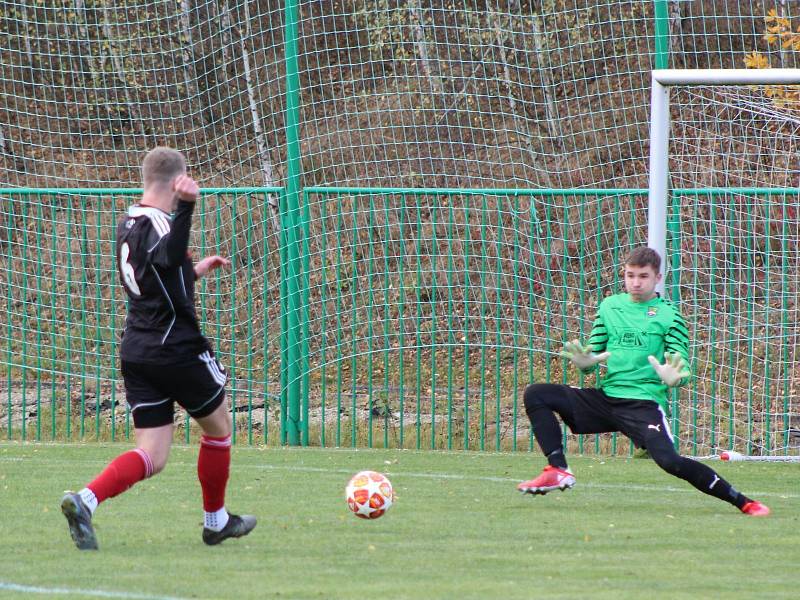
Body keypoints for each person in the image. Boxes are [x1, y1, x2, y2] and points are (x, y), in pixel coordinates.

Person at [61, 147, 257, 550]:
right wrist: (187, 207)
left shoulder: (128, 222)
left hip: (138, 349)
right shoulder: (163, 223)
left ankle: (86, 500)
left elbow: (160, 275)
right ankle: (215, 521)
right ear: (175, 182)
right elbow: (168, 255)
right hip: (176, 348)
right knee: (219, 429)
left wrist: (194, 270)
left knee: (152, 454)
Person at [517, 246, 769, 516]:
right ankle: (558, 469)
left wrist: (675, 378)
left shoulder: (669, 315)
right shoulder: (610, 306)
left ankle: (743, 501)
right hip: (606, 399)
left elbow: (679, 364)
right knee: (537, 393)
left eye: (643, 276)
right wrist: (585, 363)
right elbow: (594, 351)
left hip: (643, 405)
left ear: (658, 278)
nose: (635, 282)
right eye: (630, 275)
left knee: (670, 462)